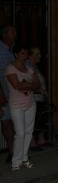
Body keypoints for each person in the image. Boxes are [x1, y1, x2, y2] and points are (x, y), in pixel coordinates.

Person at [6, 44, 40, 171]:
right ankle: (16, 162)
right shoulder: (10, 68)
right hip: (16, 105)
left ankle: (24, 158)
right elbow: (17, 86)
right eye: (22, 53)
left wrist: (28, 85)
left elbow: (38, 85)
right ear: (16, 54)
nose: (25, 56)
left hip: (30, 104)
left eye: (26, 53)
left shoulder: (29, 68)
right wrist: (31, 85)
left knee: (28, 132)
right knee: (20, 133)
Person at [0, 25, 16, 161]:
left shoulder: (10, 50)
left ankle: (16, 151)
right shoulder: (0, 50)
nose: (15, 34)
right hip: (3, 94)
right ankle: (12, 152)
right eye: (12, 32)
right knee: (6, 122)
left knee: (13, 122)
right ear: (4, 35)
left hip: (14, 94)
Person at [28, 46, 49, 149]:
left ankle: (41, 140)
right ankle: (32, 143)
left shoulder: (35, 66)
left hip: (40, 98)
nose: (40, 56)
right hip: (33, 99)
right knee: (32, 121)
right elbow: (28, 84)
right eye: (37, 54)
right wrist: (40, 90)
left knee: (40, 119)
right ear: (30, 56)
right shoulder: (28, 67)